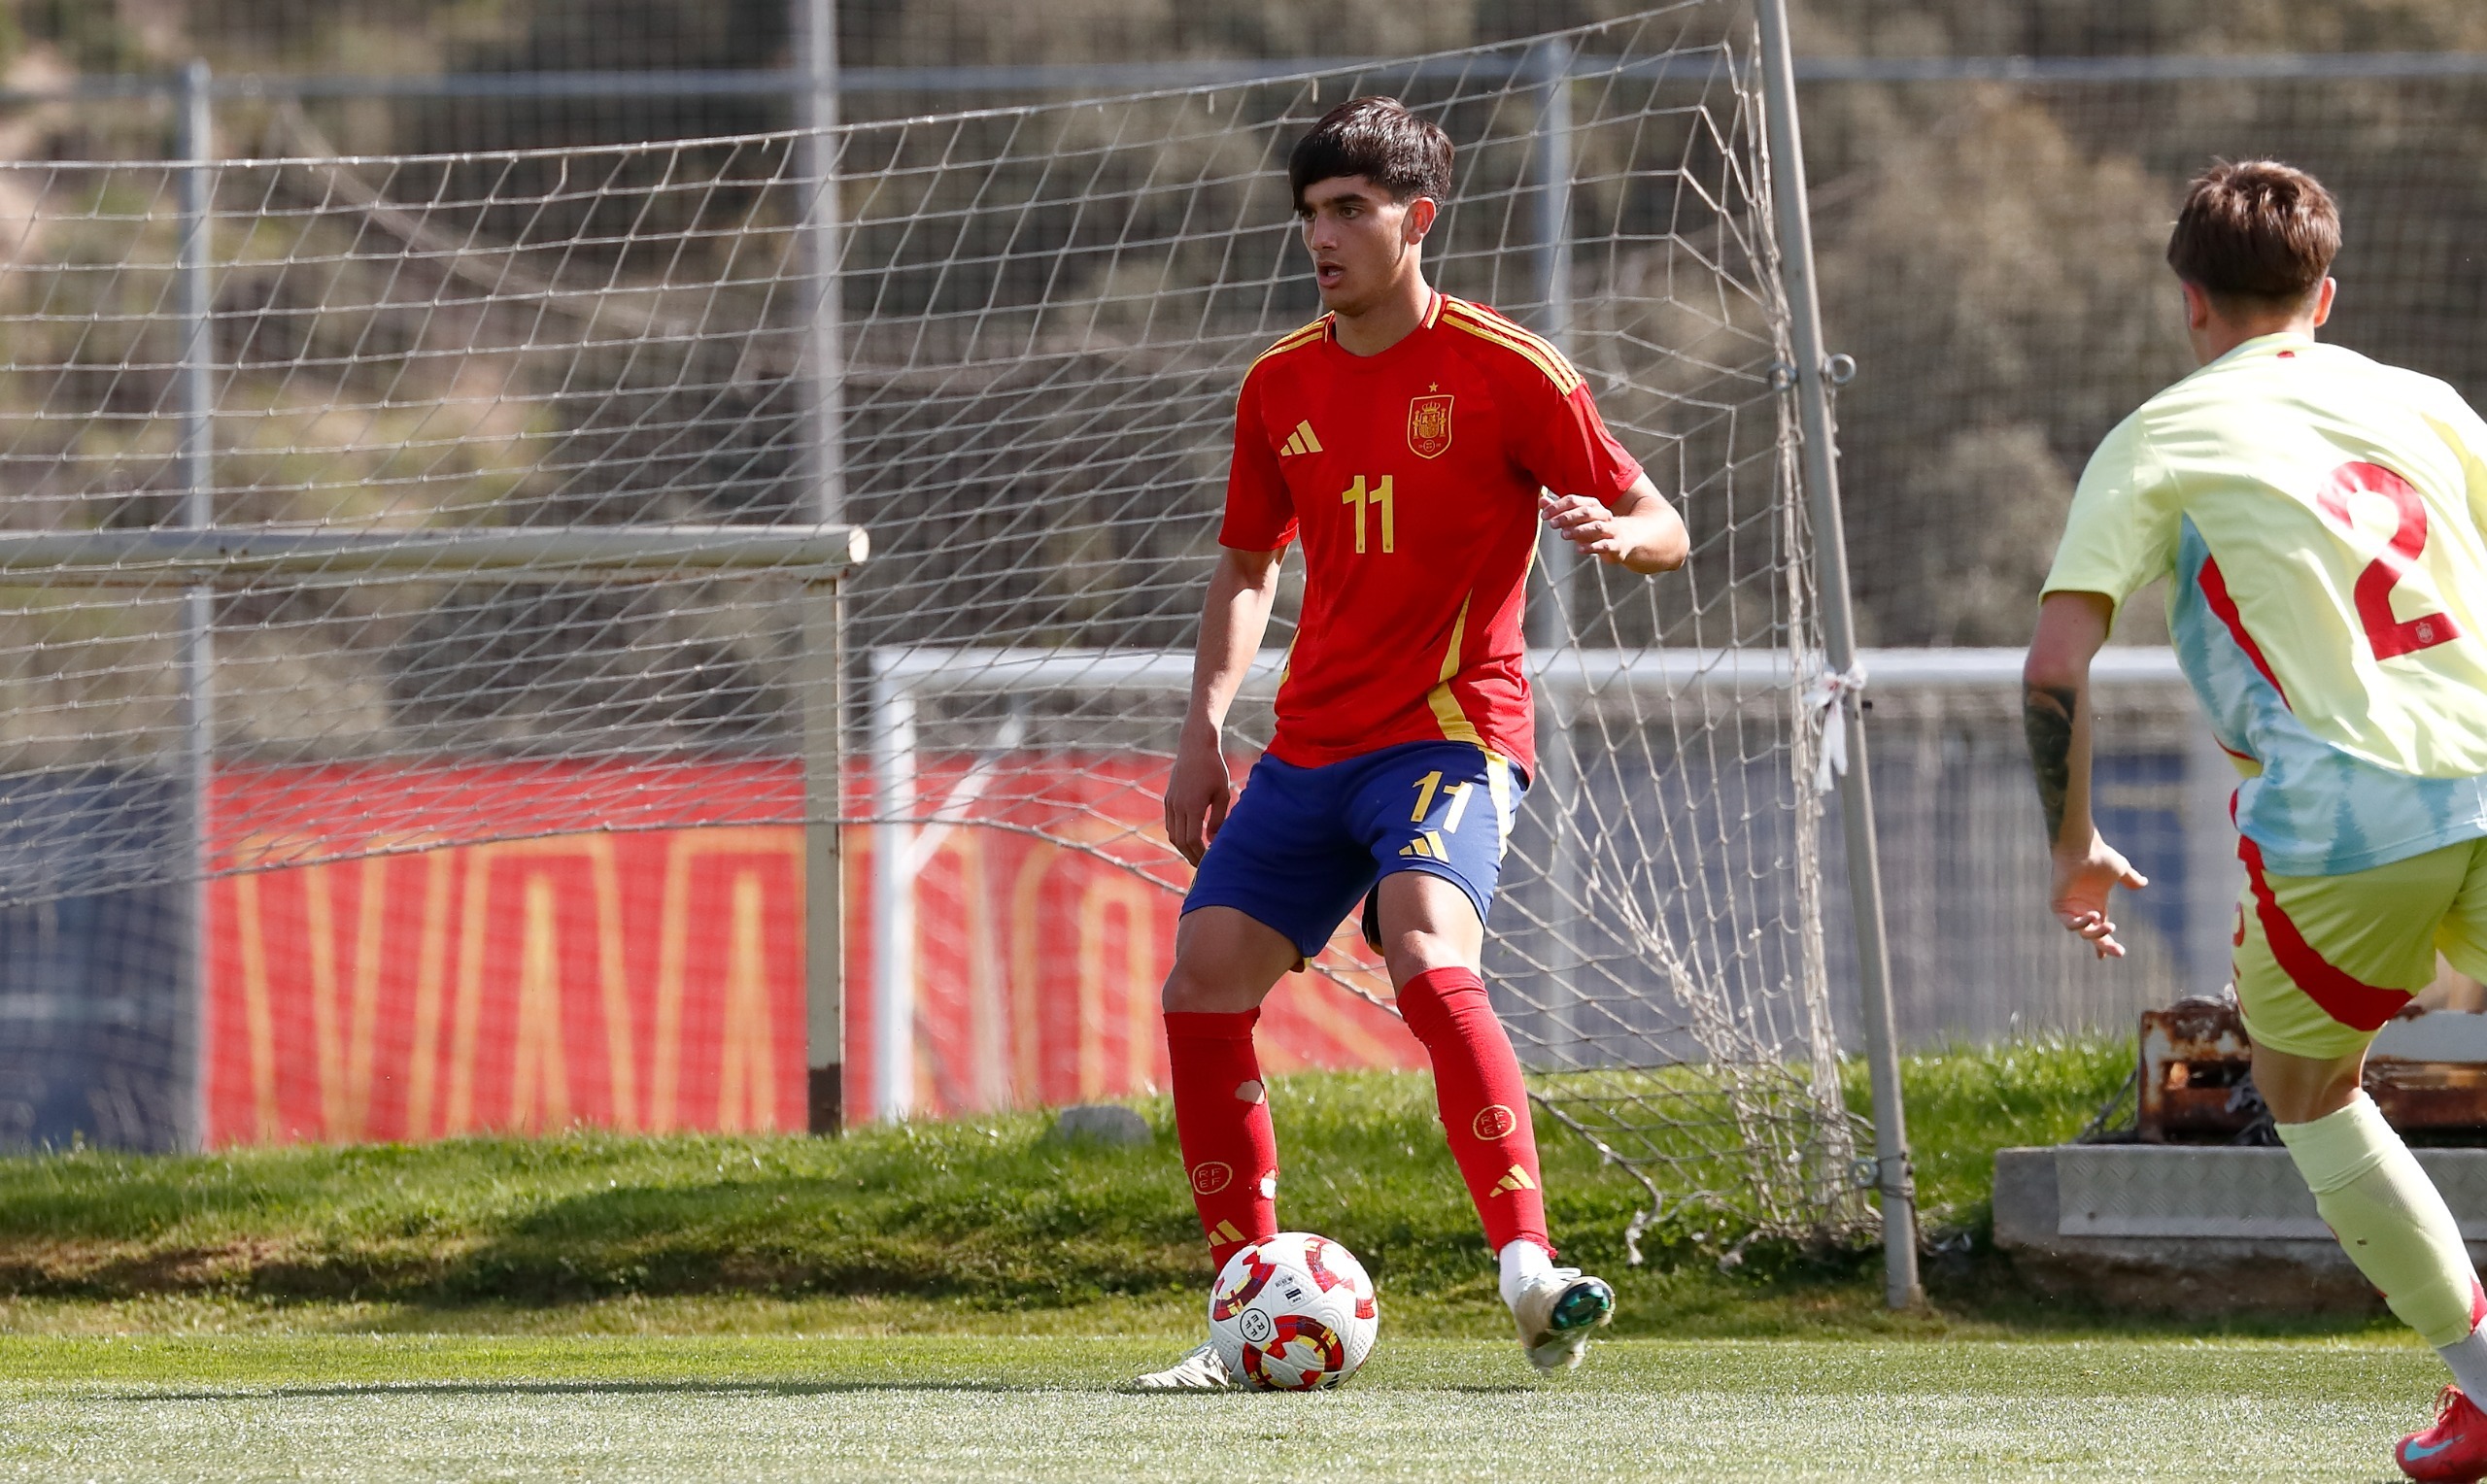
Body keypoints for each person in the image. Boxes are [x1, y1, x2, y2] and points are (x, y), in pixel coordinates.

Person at [1130, 95, 1688, 1390]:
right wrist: (1203, 730)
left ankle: (1532, 1273)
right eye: (1309, 215)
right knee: (1202, 980)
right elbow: (1246, 569)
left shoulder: (1510, 371)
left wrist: (1623, 537)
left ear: (1415, 220)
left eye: (1348, 212)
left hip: (1448, 739)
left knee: (1428, 945)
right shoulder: (1279, 384)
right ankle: (1239, 1312)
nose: (1321, 237)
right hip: (1311, 748)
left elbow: (1659, 515)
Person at [2027, 159, 2487, 1481]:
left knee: (2307, 1087)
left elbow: (2056, 664)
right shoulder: (2428, 403)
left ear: (2191, 305)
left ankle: (2482, 1381)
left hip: (2345, 815)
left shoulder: (2161, 434)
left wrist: (2074, 846)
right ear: (2324, 295)